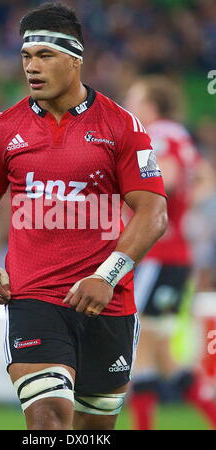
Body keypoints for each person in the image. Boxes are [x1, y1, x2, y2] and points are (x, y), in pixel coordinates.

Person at [0, 3, 167, 430]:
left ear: (75, 59)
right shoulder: (3, 128)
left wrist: (106, 275)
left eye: (45, 56)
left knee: (93, 432)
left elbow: (153, 211)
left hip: (108, 302)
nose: (31, 67)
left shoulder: (122, 127)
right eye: (26, 57)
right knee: (49, 420)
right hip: (33, 298)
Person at [124, 75, 216, 430]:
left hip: (158, 256)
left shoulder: (158, 133)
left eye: (134, 96)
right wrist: (183, 214)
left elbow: (169, 179)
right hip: (175, 255)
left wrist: (128, 194)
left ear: (150, 104)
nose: (128, 103)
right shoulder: (181, 135)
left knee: (141, 345)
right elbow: (203, 180)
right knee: (159, 354)